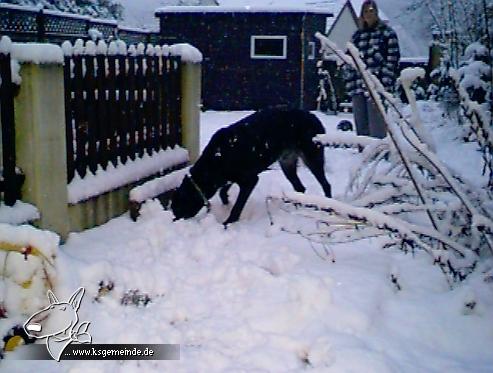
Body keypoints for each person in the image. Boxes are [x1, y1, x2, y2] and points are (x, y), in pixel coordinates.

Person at [344, 0, 400, 138]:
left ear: (376, 13)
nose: (368, 14)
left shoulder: (387, 33)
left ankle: (380, 156)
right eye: (365, 12)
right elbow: (349, 60)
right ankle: (364, 155)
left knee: (377, 127)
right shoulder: (357, 36)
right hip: (357, 86)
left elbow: (392, 60)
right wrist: (349, 78)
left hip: (376, 86)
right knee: (361, 128)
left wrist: (383, 83)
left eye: (371, 11)